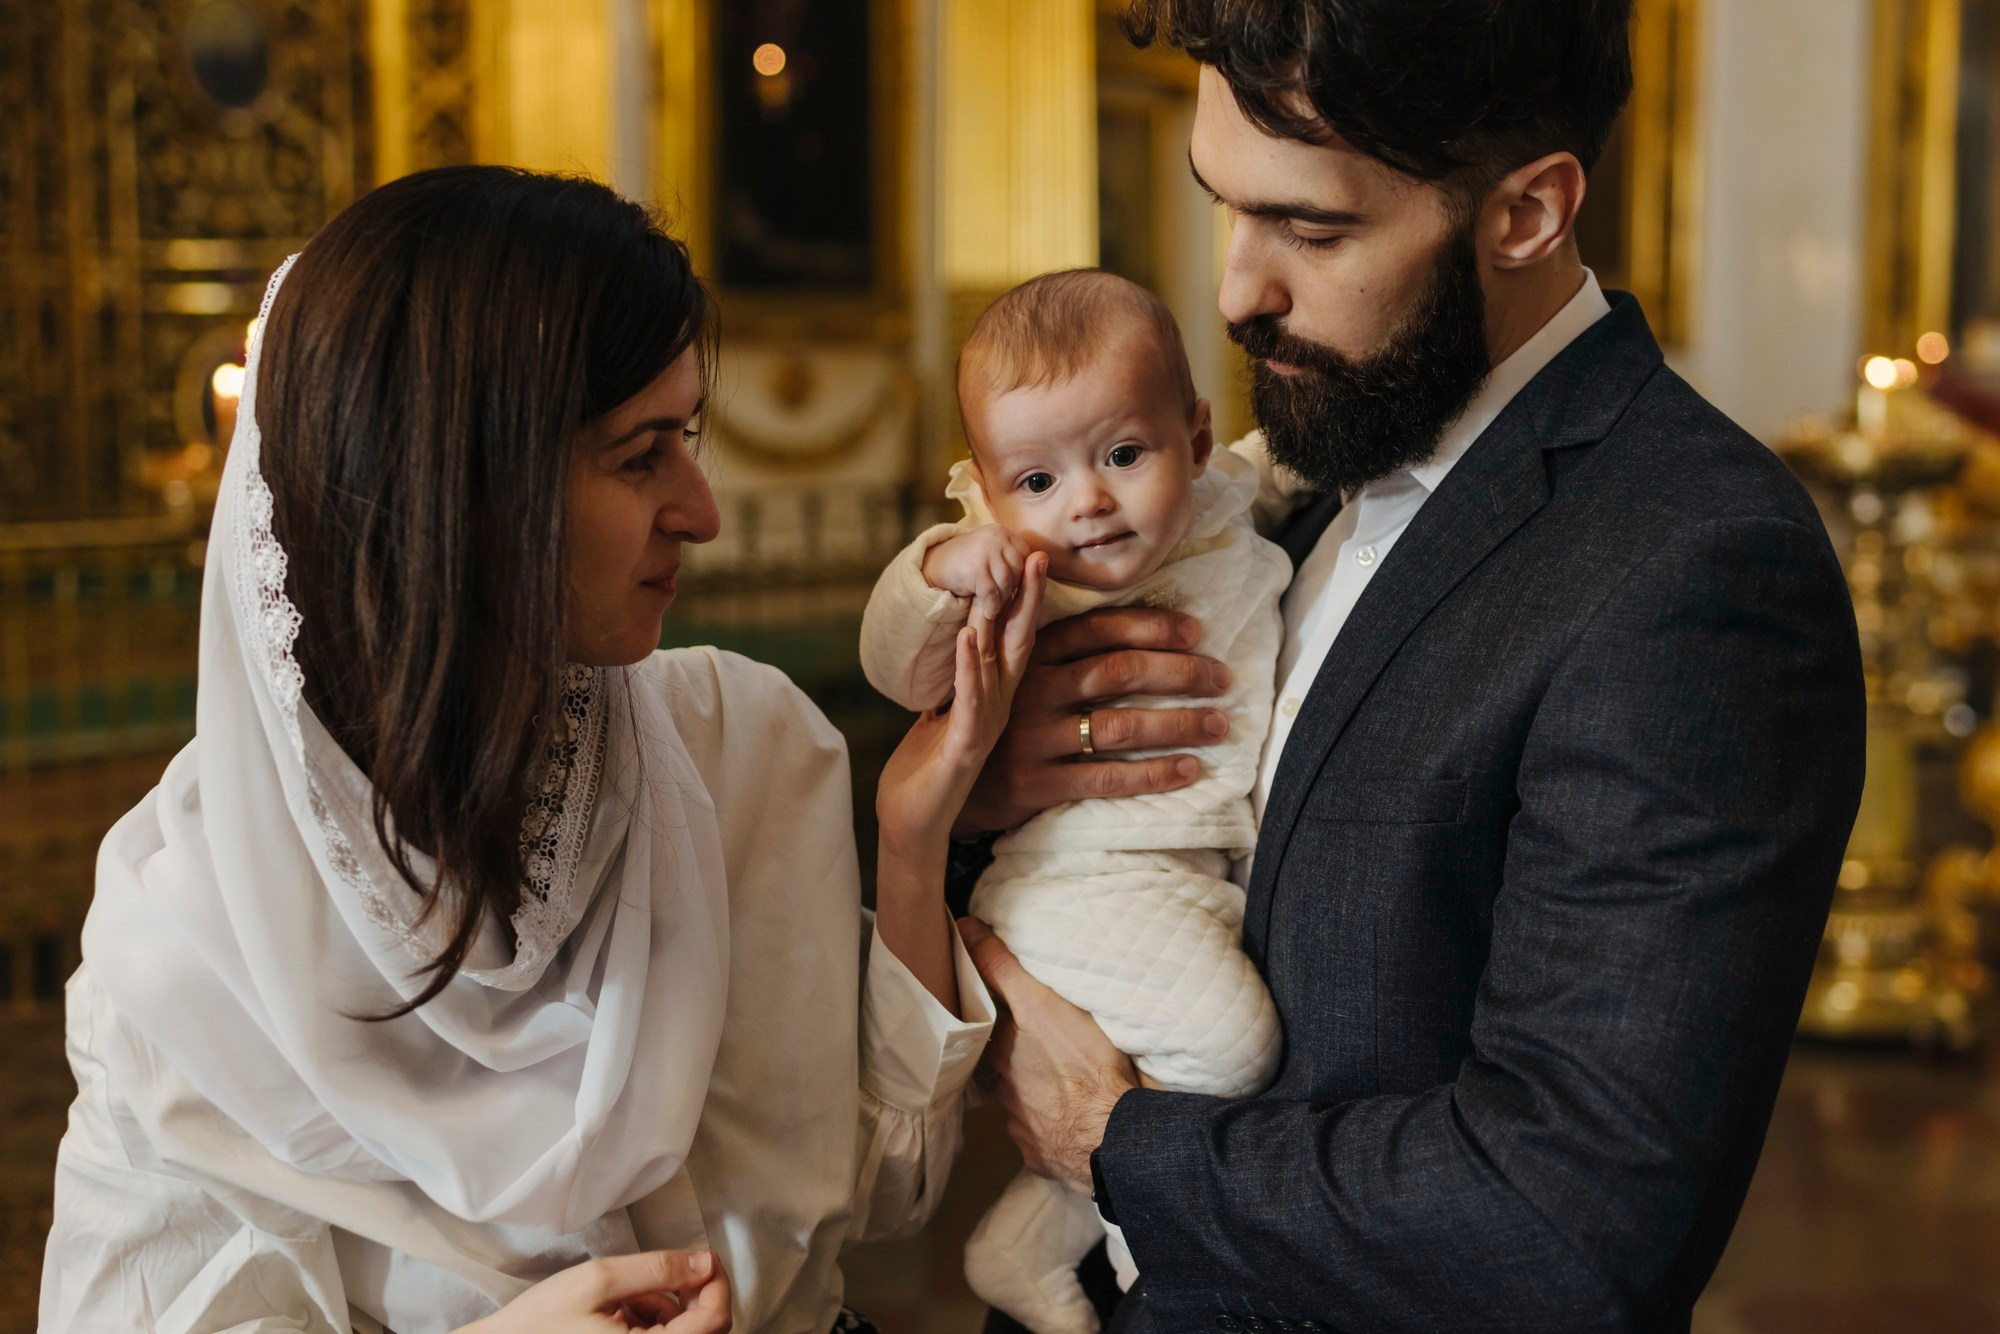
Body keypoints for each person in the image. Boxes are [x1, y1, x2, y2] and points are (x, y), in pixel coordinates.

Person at [957, 3, 1869, 1331]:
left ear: (1527, 213)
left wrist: (1112, 1141)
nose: (1234, 290)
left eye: (1312, 229)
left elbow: (1573, 1220)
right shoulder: (1288, 458)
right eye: (1227, 205)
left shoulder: (1699, 565)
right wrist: (988, 799)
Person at [39, 165, 1045, 1334]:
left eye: (690, 435)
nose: (703, 509)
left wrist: (912, 841)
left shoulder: (747, 745)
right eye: (639, 454)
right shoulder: (188, 940)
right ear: (458, 493)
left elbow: (876, 1190)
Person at [858, 270, 1292, 1334]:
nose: (1085, 501)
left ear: (1193, 440)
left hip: (1179, 878)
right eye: (1035, 479)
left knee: (1176, 1059)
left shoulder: (1224, 498)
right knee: (1232, 1050)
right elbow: (891, 660)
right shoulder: (1024, 576)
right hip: (1072, 888)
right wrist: (944, 564)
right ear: (987, 491)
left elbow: (1289, 461)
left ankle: (1023, 1240)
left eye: (1122, 455)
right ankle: (1142, 1228)